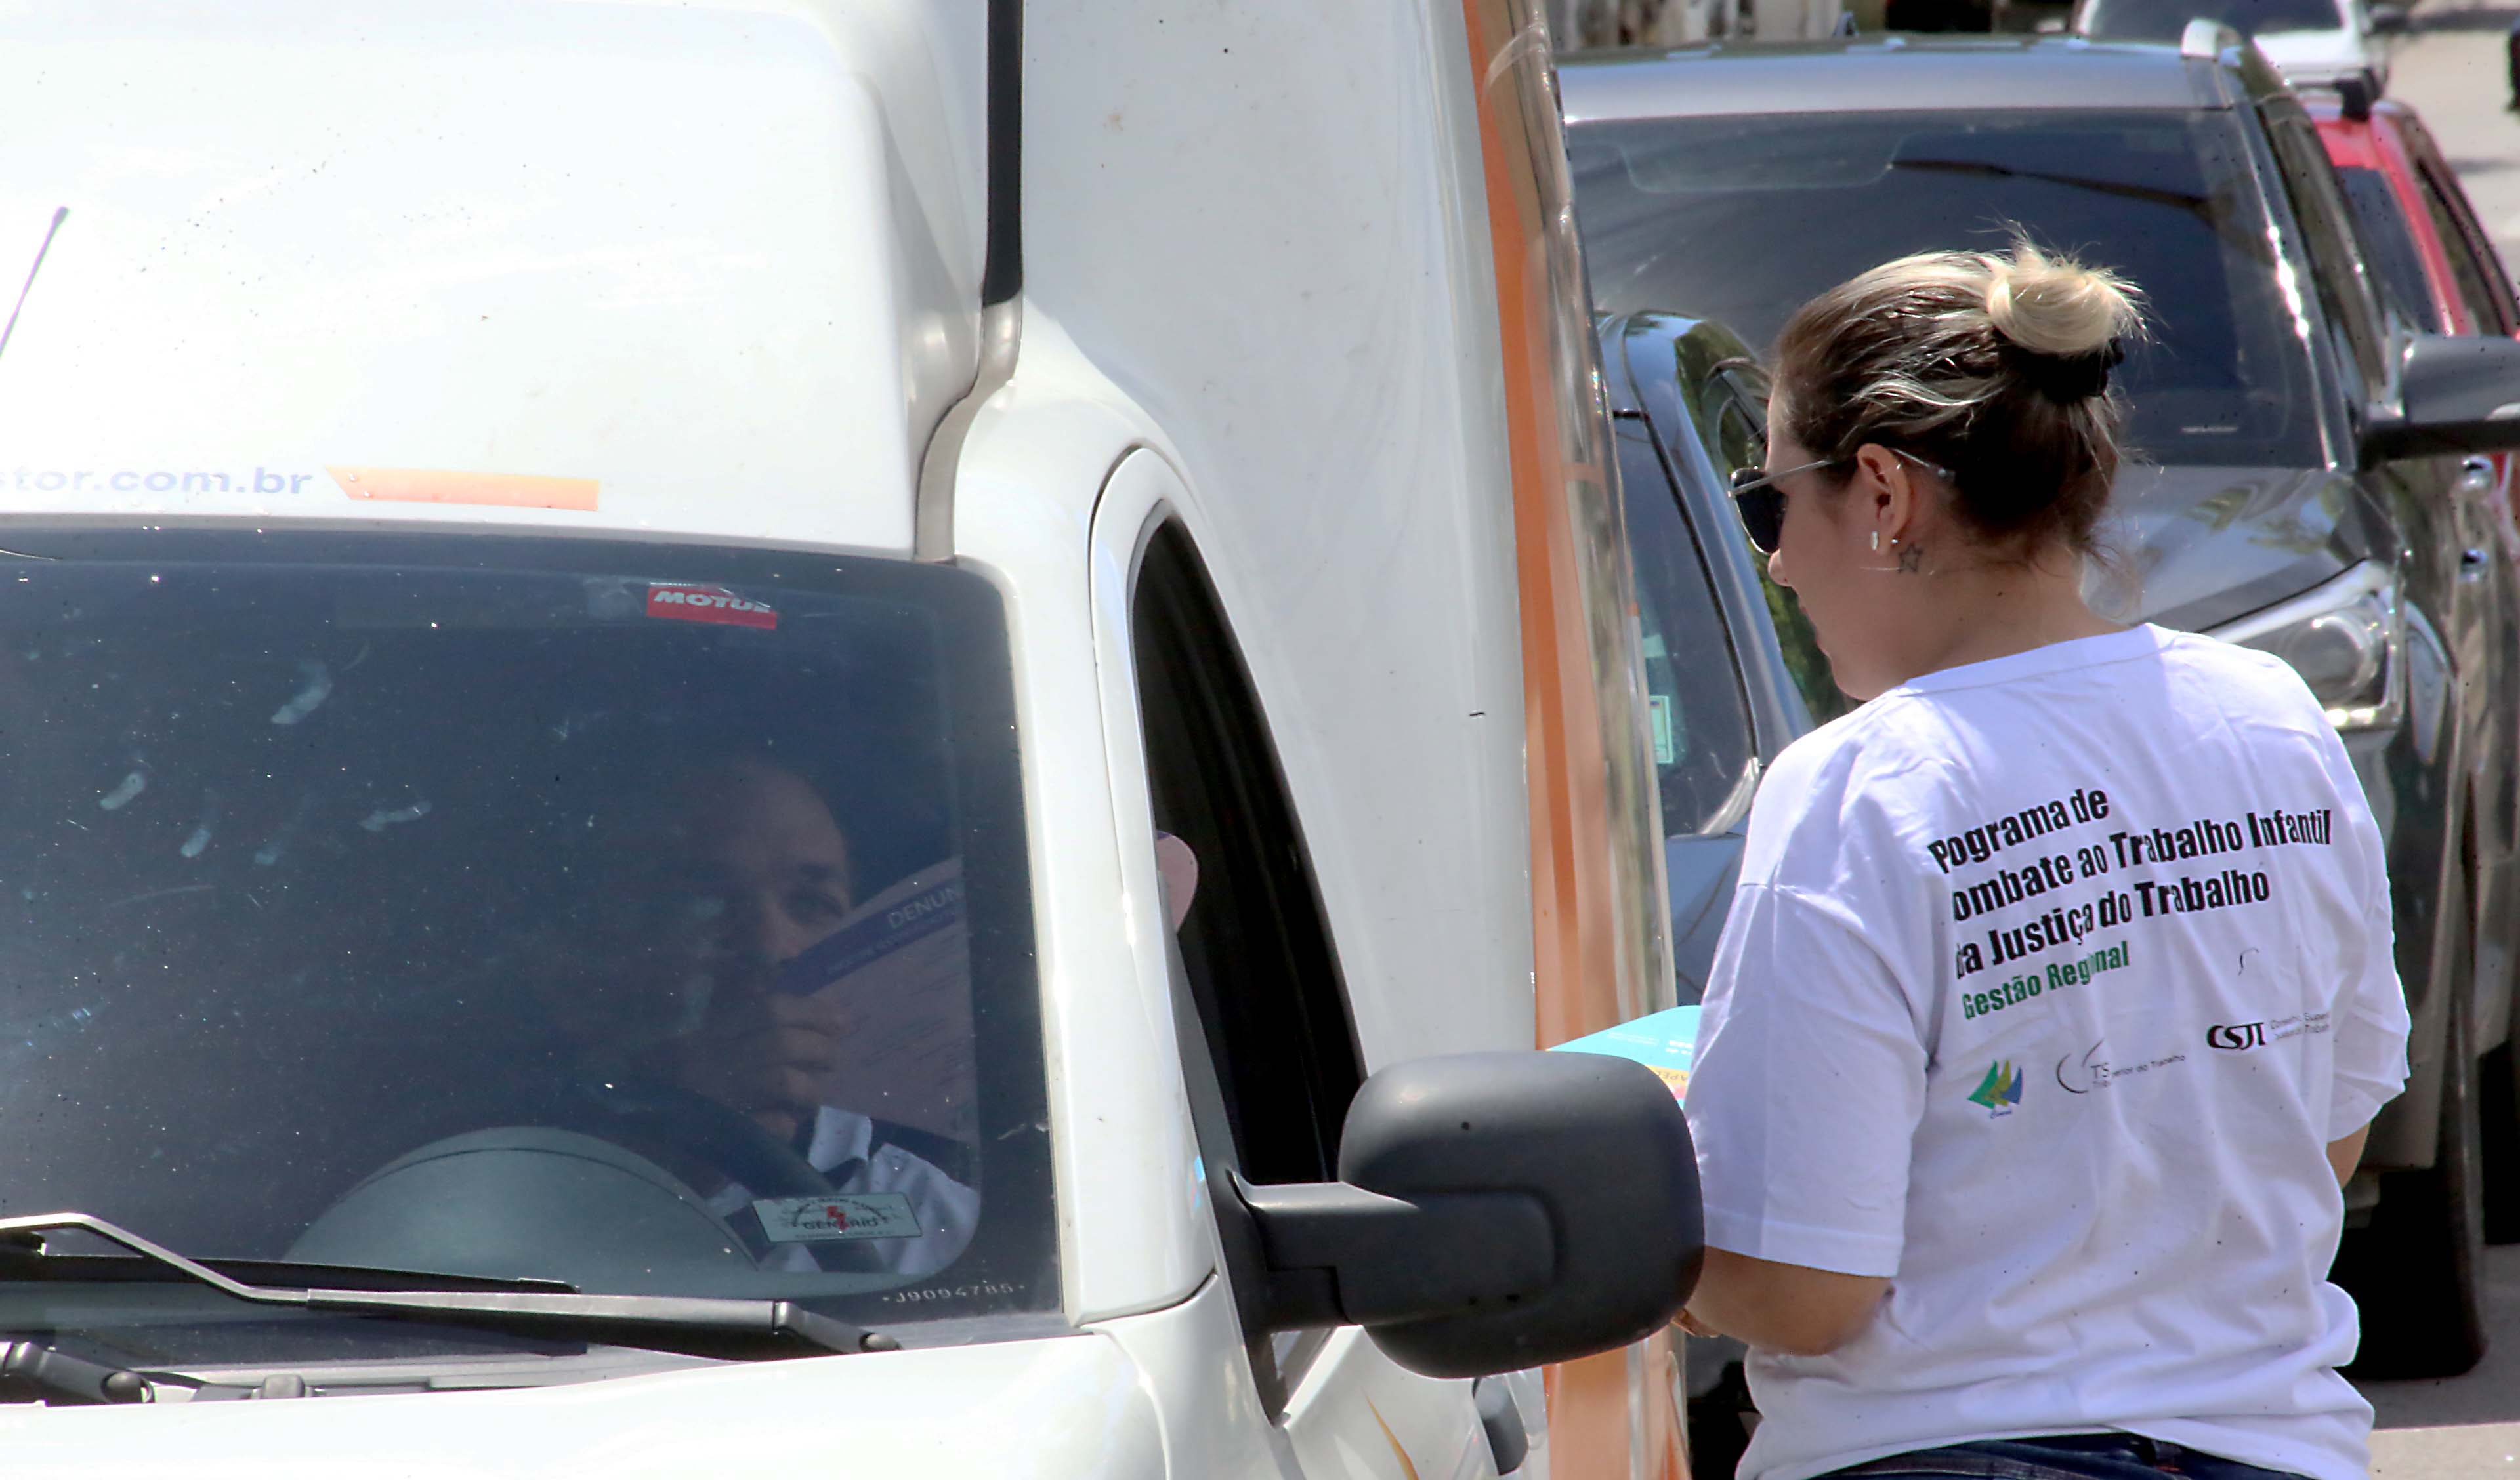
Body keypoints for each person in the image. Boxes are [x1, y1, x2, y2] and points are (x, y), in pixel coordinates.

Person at [1680, 241, 2409, 1480]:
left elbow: (1810, 1291)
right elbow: (2321, 1138)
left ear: (1882, 493)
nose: (1778, 560)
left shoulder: (1862, 787)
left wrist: (1655, 1244)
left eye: (1769, 504)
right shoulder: (2271, 718)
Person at [535, 754, 977, 1278]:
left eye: (811, 903)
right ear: (586, 960)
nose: (768, 946)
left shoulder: (941, 1228)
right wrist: (686, 1148)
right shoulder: (505, 1176)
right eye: (703, 901)